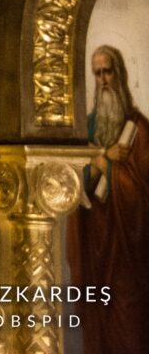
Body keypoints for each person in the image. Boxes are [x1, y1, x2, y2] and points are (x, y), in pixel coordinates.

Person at [70, 44, 149, 354]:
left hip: (129, 249)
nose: (102, 80)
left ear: (120, 74)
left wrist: (109, 169)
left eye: (107, 72)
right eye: (97, 73)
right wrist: (101, 160)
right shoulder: (88, 127)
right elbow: (75, 185)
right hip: (95, 242)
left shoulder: (139, 129)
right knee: (98, 319)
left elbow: (144, 194)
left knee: (129, 322)